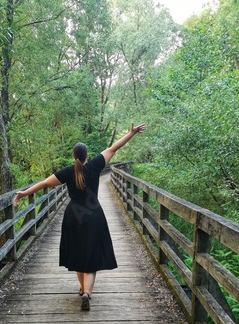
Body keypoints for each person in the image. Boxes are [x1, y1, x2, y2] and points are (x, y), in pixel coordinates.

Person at [13, 122, 147, 310]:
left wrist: (23, 193)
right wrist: (131, 133)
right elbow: (115, 147)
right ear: (87, 156)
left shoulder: (68, 172)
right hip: (94, 216)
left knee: (78, 254)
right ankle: (87, 293)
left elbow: (44, 184)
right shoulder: (95, 165)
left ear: (73, 156)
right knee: (91, 256)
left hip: (73, 217)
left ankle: (83, 287)